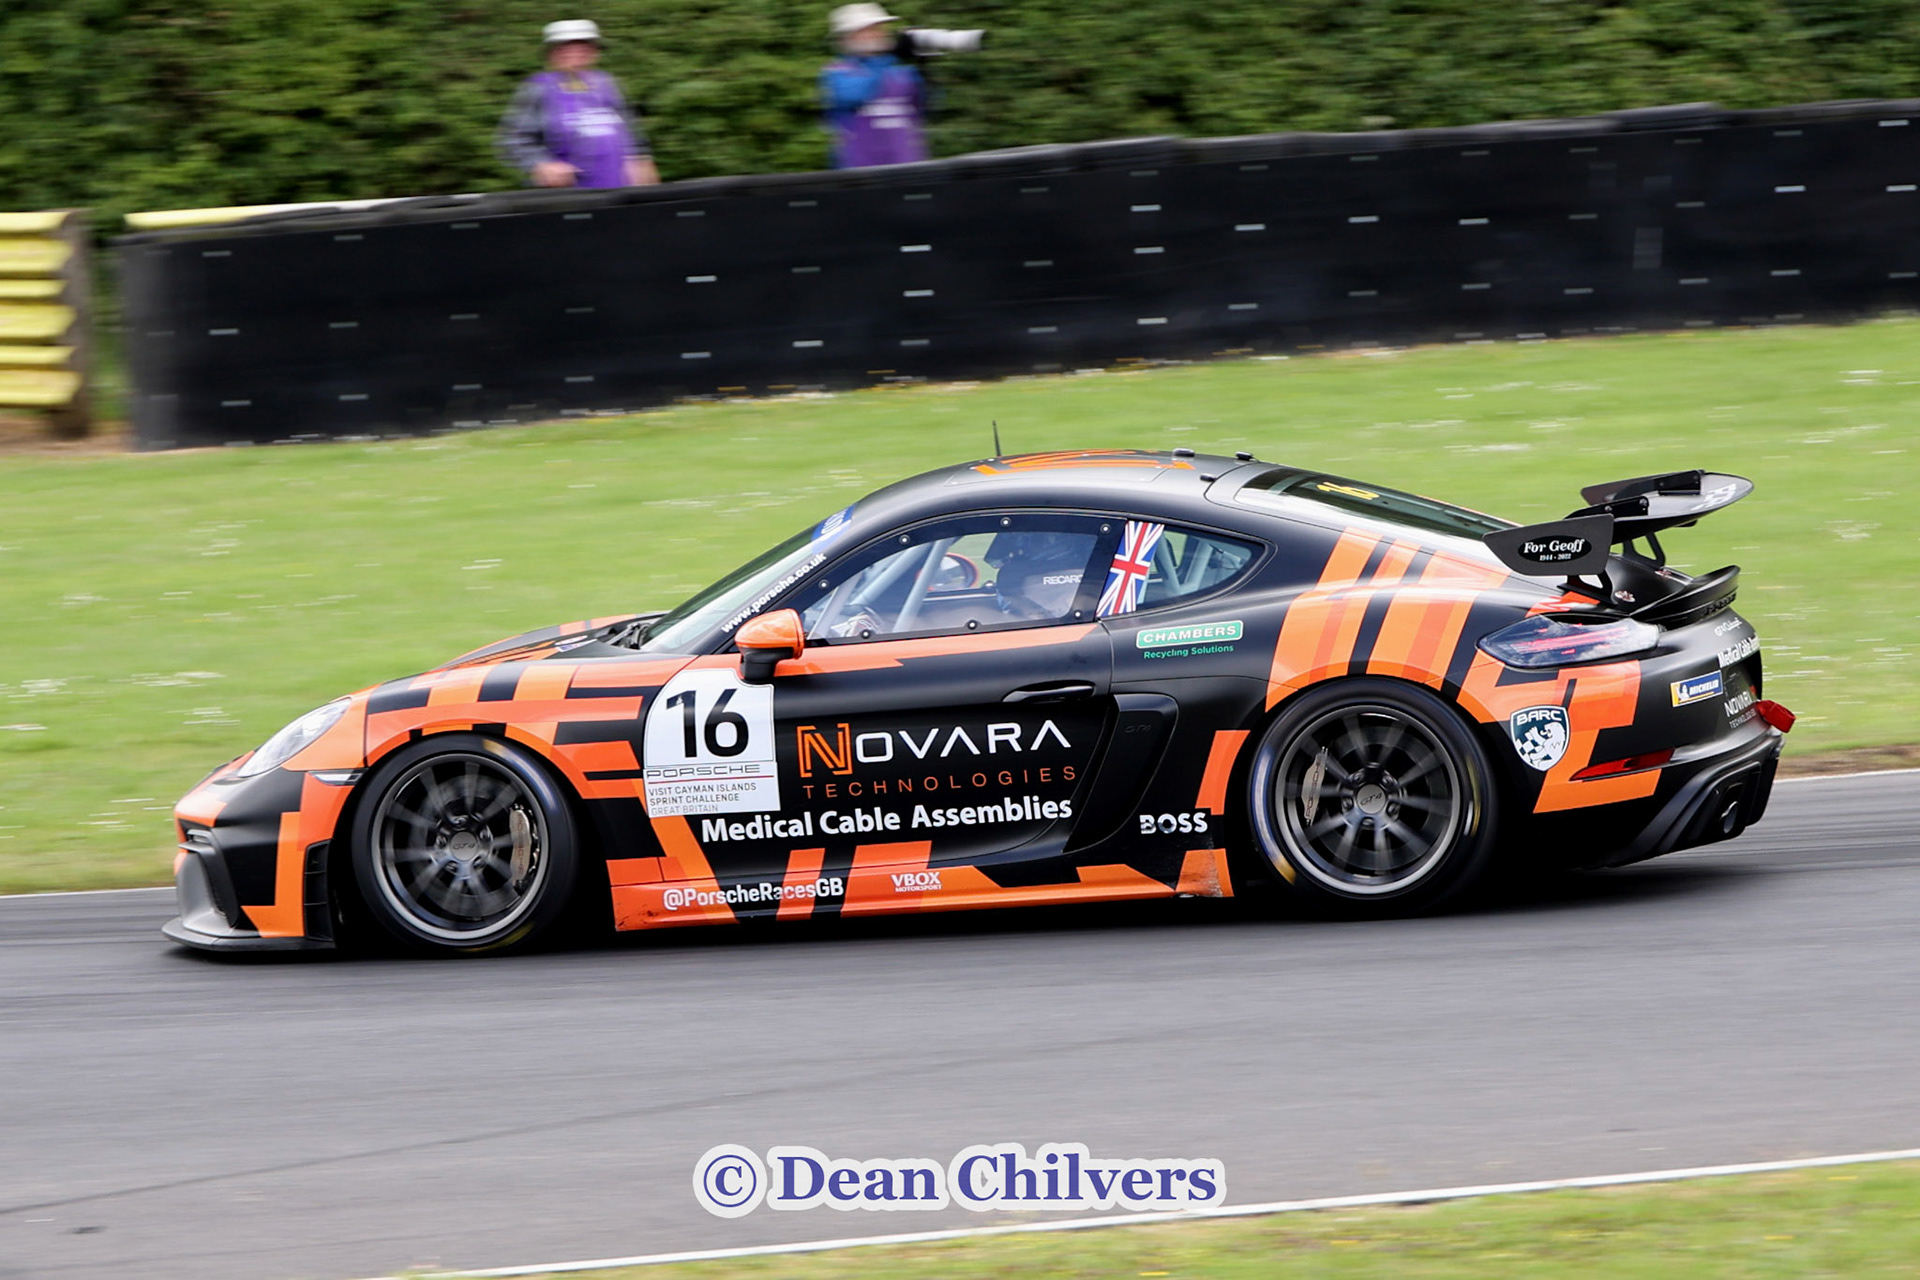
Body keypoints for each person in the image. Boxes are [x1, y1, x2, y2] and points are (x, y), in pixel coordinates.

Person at [497, 20, 659, 189]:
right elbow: (513, 139)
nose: (575, 54)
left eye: (583, 48)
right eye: (565, 49)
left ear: (595, 52)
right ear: (551, 54)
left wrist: (641, 158)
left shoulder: (607, 84)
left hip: (619, 188)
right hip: (567, 193)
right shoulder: (538, 87)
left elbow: (631, 130)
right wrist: (542, 164)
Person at [819, 4, 928, 169]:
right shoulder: (838, 72)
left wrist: (923, 64)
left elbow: (924, 109)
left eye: (880, 28)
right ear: (848, 37)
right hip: (861, 175)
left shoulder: (900, 71)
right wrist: (892, 56)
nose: (880, 34)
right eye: (870, 29)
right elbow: (854, 95)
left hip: (909, 169)